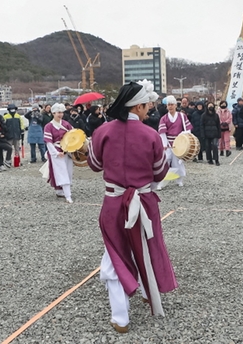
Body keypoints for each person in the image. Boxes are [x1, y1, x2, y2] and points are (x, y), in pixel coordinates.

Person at [87, 80, 176, 333]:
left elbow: (94, 164)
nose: (150, 108)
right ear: (136, 107)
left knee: (115, 252)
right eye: (147, 104)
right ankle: (149, 291)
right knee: (147, 245)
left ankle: (121, 316)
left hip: (114, 201)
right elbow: (159, 174)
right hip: (144, 201)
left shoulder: (102, 132)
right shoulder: (151, 135)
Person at [157, 95, 193, 188]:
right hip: (168, 142)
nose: (170, 106)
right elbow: (162, 133)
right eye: (169, 105)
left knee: (178, 161)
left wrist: (183, 138)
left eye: (172, 104)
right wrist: (164, 143)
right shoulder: (164, 118)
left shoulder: (182, 116)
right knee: (165, 160)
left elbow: (187, 129)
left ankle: (179, 179)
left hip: (179, 142)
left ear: (175, 105)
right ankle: (161, 181)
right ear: (167, 106)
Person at [44, 104, 75, 203]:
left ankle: (60, 190)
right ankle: (68, 195)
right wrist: (56, 153)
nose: (61, 114)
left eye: (62, 112)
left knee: (68, 171)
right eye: (58, 112)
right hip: (57, 150)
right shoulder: (48, 126)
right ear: (53, 113)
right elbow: (48, 142)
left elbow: (73, 135)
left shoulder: (66, 124)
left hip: (67, 150)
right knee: (61, 172)